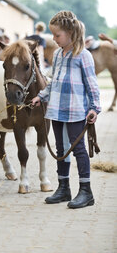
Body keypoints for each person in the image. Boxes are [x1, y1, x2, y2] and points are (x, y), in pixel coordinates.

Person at [31, 11, 101, 209]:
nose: (53, 38)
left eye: (57, 35)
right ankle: (64, 188)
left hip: (75, 111)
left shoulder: (83, 55)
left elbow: (92, 84)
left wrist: (95, 107)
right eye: (52, 35)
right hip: (57, 110)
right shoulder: (57, 54)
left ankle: (86, 192)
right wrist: (41, 96)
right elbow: (54, 82)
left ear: (70, 33)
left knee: (78, 149)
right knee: (62, 150)